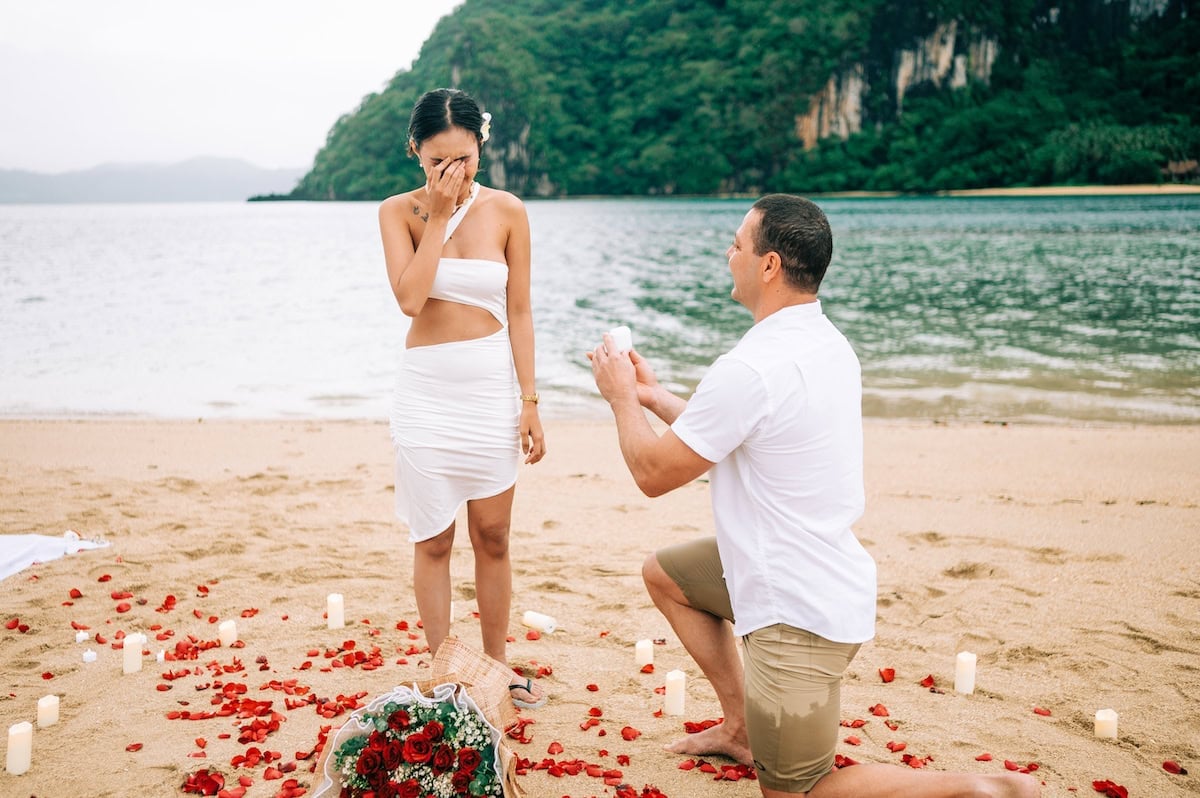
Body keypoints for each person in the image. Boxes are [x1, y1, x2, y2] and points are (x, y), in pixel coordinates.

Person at [589, 194, 1038, 797]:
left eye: (738, 245)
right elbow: (733, 430)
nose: (729, 255)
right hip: (816, 572)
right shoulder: (825, 342)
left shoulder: (750, 367)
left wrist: (619, 396)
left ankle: (985, 790)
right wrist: (654, 397)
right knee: (666, 574)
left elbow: (652, 473)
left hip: (797, 612)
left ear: (769, 265)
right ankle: (744, 727)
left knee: (797, 791)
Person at [380, 88, 547, 709]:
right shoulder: (398, 213)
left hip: (489, 389)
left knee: (494, 534)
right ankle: (446, 667)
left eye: (466, 158)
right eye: (439, 162)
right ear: (416, 153)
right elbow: (410, 299)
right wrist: (441, 213)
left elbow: (522, 310)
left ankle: (498, 666)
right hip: (426, 393)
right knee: (434, 539)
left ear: (481, 145)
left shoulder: (509, 211)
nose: (454, 172)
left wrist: (529, 399)